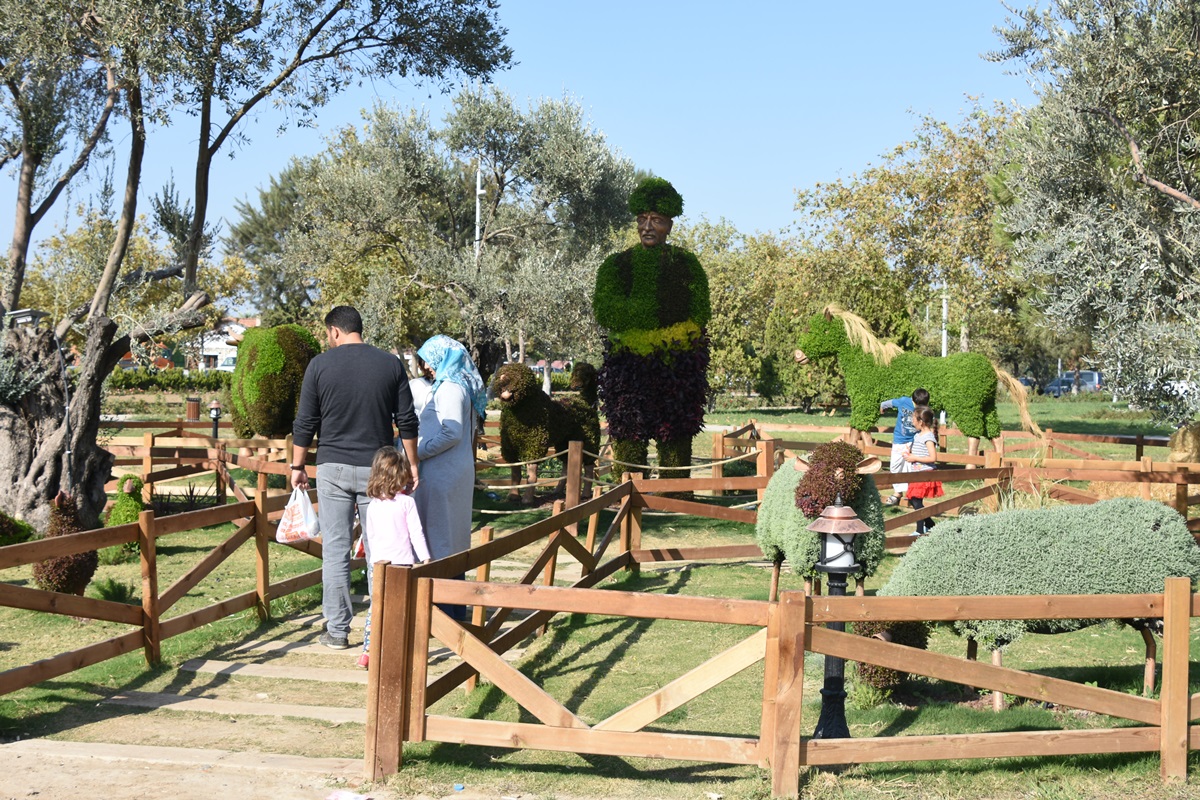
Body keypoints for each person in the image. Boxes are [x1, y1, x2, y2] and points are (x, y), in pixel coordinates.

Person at [291, 306, 419, 650]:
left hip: (332, 467)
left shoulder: (319, 366)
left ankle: (336, 630)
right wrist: (413, 462)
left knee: (335, 550)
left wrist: (297, 466)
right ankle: (381, 629)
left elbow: (305, 422)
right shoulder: (390, 364)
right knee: (382, 548)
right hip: (377, 468)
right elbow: (407, 419)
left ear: (335, 332)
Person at [593, 177, 711, 479]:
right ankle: (627, 492)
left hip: (676, 366)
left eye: (656, 220)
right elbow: (606, 311)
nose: (647, 226)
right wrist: (650, 311)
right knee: (629, 433)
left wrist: (672, 338)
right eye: (642, 219)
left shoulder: (687, 264)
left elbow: (700, 314)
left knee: (676, 433)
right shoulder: (616, 265)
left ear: (669, 225)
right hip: (628, 368)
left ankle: (676, 494)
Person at [413, 335, 487, 564]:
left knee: (440, 540)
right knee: (450, 538)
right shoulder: (462, 386)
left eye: (429, 360)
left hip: (442, 473)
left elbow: (451, 433)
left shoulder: (450, 389)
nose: (426, 366)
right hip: (452, 470)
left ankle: (442, 598)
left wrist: (417, 453)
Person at [359, 446, 428, 669]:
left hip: (377, 564)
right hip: (403, 564)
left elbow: (369, 535)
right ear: (400, 476)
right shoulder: (407, 503)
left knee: (376, 607)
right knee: (404, 607)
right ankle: (403, 648)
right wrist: (425, 557)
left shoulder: (372, 506)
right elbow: (415, 532)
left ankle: (368, 651)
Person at [880, 387, 930, 506]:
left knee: (911, 467)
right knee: (895, 466)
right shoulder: (903, 401)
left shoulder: (925, 409)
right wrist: (882, 408)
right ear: (913, 400)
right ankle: (898, 491)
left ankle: (909, 495)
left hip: (915, 441)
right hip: (900, 439)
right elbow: (886, 403)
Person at [902, 406, 944, 535]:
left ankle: (919, 530)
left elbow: (933, 457)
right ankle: (930, 524)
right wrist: (910, 453)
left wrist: (915, 457)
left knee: (916, 500)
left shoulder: (929, 437)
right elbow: (919, 452)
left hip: (925, 473)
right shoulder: (917, 435)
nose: (912, 421)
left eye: (913, 419)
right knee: (913, 500)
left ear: (920, 422)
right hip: (916, 473)